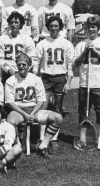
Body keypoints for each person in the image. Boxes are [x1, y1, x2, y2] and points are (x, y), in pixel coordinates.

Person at [6, 52, 63, 157]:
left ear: (29, 65)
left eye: (24, 64)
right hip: (18, 110)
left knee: (58, 118)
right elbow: (10, 102)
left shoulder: (36, 79)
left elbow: (41, 100)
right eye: (19, 64)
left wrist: (32, 113)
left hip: (34, 109)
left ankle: (43, 145)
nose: (21, 66)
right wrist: (24, 114)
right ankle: (18, 145)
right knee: (10, 121)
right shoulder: (10, 80)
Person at [73, 15, 100, 151]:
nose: (91, 29)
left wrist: (95, 51)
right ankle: (82, 140)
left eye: (94, 27)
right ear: (86, 28)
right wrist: (86, 50)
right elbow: (76, 63)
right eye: (89, 27)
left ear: (98, 28)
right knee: (83, 113)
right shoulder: (80, 45)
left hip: (99, 84)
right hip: (84, 84)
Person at [33, 16, 74, 150]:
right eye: (51, 26)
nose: (54, 28)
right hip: (46, 78)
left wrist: (68, 82)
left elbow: (70, 65)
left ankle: (54, 138)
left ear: (60, 27)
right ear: (48, 27)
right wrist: (35, 76)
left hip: (60, 78)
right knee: (43, 108)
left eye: (56, 26)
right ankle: (41, 137)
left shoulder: (66, 44)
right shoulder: (42, 43)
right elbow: (36, 60)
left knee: (57, 108)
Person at [0, 11, 35, 84]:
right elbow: (0, 59)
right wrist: (10, 70)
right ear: (9, 24)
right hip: (7, 72)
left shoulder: (27, 39)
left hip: (24, 72)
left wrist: (24, 70)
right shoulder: (1, 39)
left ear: (21, 24)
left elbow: (31, 58)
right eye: (12, 22)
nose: (13, 24)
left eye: (16, 22)